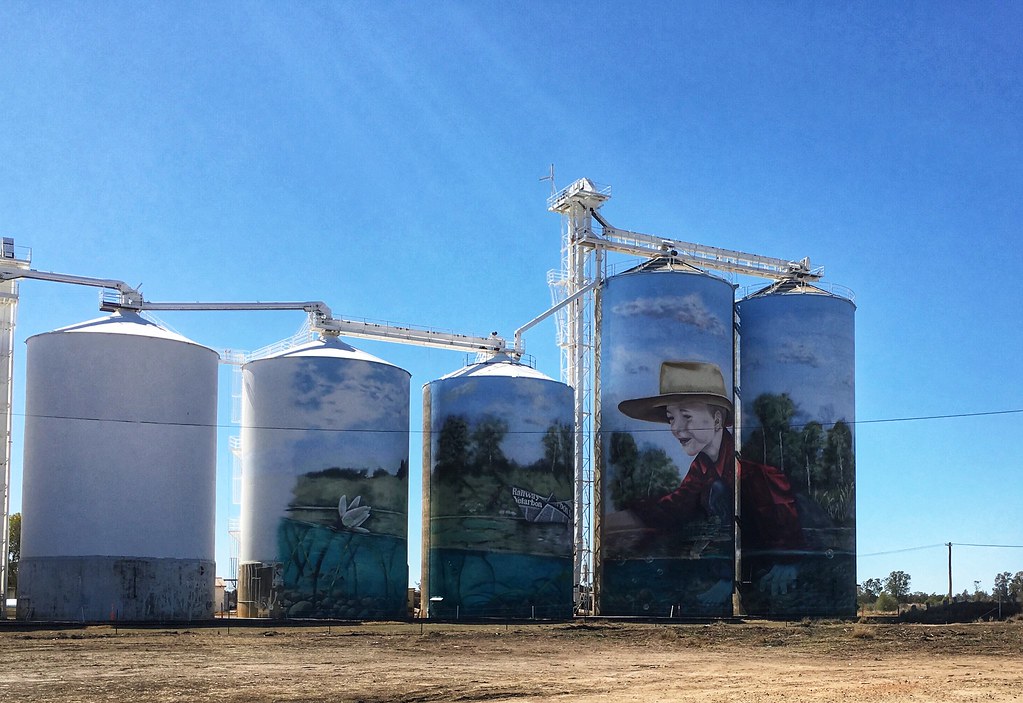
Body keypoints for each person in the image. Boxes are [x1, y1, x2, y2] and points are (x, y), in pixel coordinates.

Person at [611, 361, 803, 599]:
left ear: (716, 420)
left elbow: (784, 528)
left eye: (687, 416)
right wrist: (613, 522)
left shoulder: (753, 472)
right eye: (671, 418)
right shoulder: (702, 467)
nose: (676, 428)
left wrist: (787, 559)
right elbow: (675, 506)